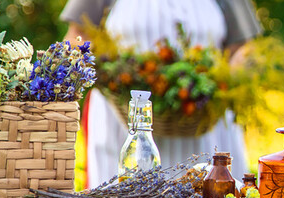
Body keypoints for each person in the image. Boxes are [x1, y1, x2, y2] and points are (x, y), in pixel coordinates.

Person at [60, 0, 262, 188]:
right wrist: (109, 75)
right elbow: (77, 35)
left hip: (206, 127)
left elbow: (243, 46)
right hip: (120, 125)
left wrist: (222, 85)